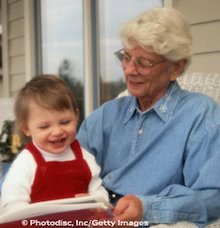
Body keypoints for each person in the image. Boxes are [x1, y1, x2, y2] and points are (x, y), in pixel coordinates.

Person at [77, 7, 220, 228]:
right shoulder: (106, 115)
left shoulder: (200, 115)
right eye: (126, 57)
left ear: (176, 67)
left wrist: (147, 208)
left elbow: (213, 198)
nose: (129, 70)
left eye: (144, 63)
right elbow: (70, 164)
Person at [1, 75, 108, 208]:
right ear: (27, 129)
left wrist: (94, 200)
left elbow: (99, 191)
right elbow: (11, 202)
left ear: (76, 116)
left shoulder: (84, 156)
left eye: (65, 122)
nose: (57, 132)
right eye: (45, 126)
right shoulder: (26, 162)